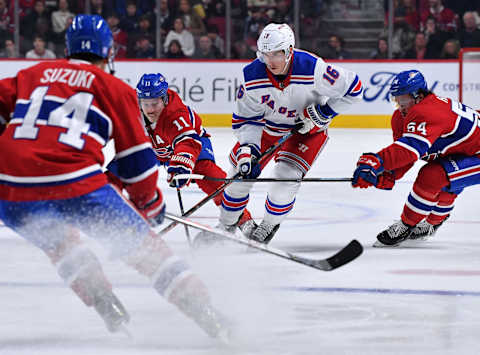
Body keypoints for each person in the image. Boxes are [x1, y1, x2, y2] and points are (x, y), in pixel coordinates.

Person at [0, 14, 229, 340]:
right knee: (150, 253)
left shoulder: (30, 74)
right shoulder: (113, 87)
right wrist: (149, 205)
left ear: (68, 47)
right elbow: (138, 160)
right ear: (108, 52)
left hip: (10, 190)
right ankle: (213, 321)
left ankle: (105, 303)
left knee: (62, 245)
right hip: (76, 184)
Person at [214, 23, 363, 244]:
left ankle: (268, 225)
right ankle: (226, 225)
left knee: (283, 182)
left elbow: (354, 88)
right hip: (266, 130)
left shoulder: (313, 68)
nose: (270, 61)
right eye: (265, 54)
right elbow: (246, 119)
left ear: (289, 51)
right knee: (237, 180)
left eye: (277, 54)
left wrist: (323, 113)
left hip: (306, 133)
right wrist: (248, 149)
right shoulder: (252, 76)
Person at [351, 69, 480, 247]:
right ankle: (432, 224)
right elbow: (405, 155)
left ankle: (406, 226)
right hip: (467, 150)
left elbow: (410, 150)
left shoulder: (428, 112)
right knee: (446, 174)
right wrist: (388, 173)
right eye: (396, 99)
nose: (399, 104)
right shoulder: (401, 117)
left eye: (403, 99)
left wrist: (376, 161)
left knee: (434, 175)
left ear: (418, 96)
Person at [131, 73, 256, 241]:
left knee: (211, 177)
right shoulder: (133, 109)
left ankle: (243, 220)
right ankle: (124, 222)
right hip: (156, 149)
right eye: (146, 104)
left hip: (194, 144)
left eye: (155, 103)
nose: (150, 109)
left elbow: (187, 142)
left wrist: (180, 165)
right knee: (127, 171)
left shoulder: (176, 114)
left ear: (165, 99)